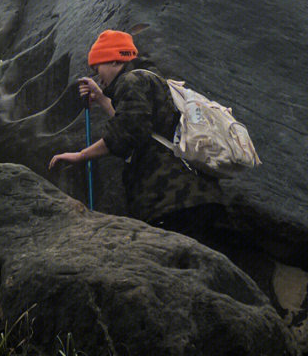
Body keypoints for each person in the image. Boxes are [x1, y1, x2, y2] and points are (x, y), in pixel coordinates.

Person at [48, 29, 224, 231]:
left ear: (115, 61)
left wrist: (81, 156)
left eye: (98, 69)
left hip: (173, 199)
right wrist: (102, 99)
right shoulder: (149, 79)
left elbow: (126, 133)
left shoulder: (132, 81)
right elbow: (137, 124)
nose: (98, 78)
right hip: (192, 195)